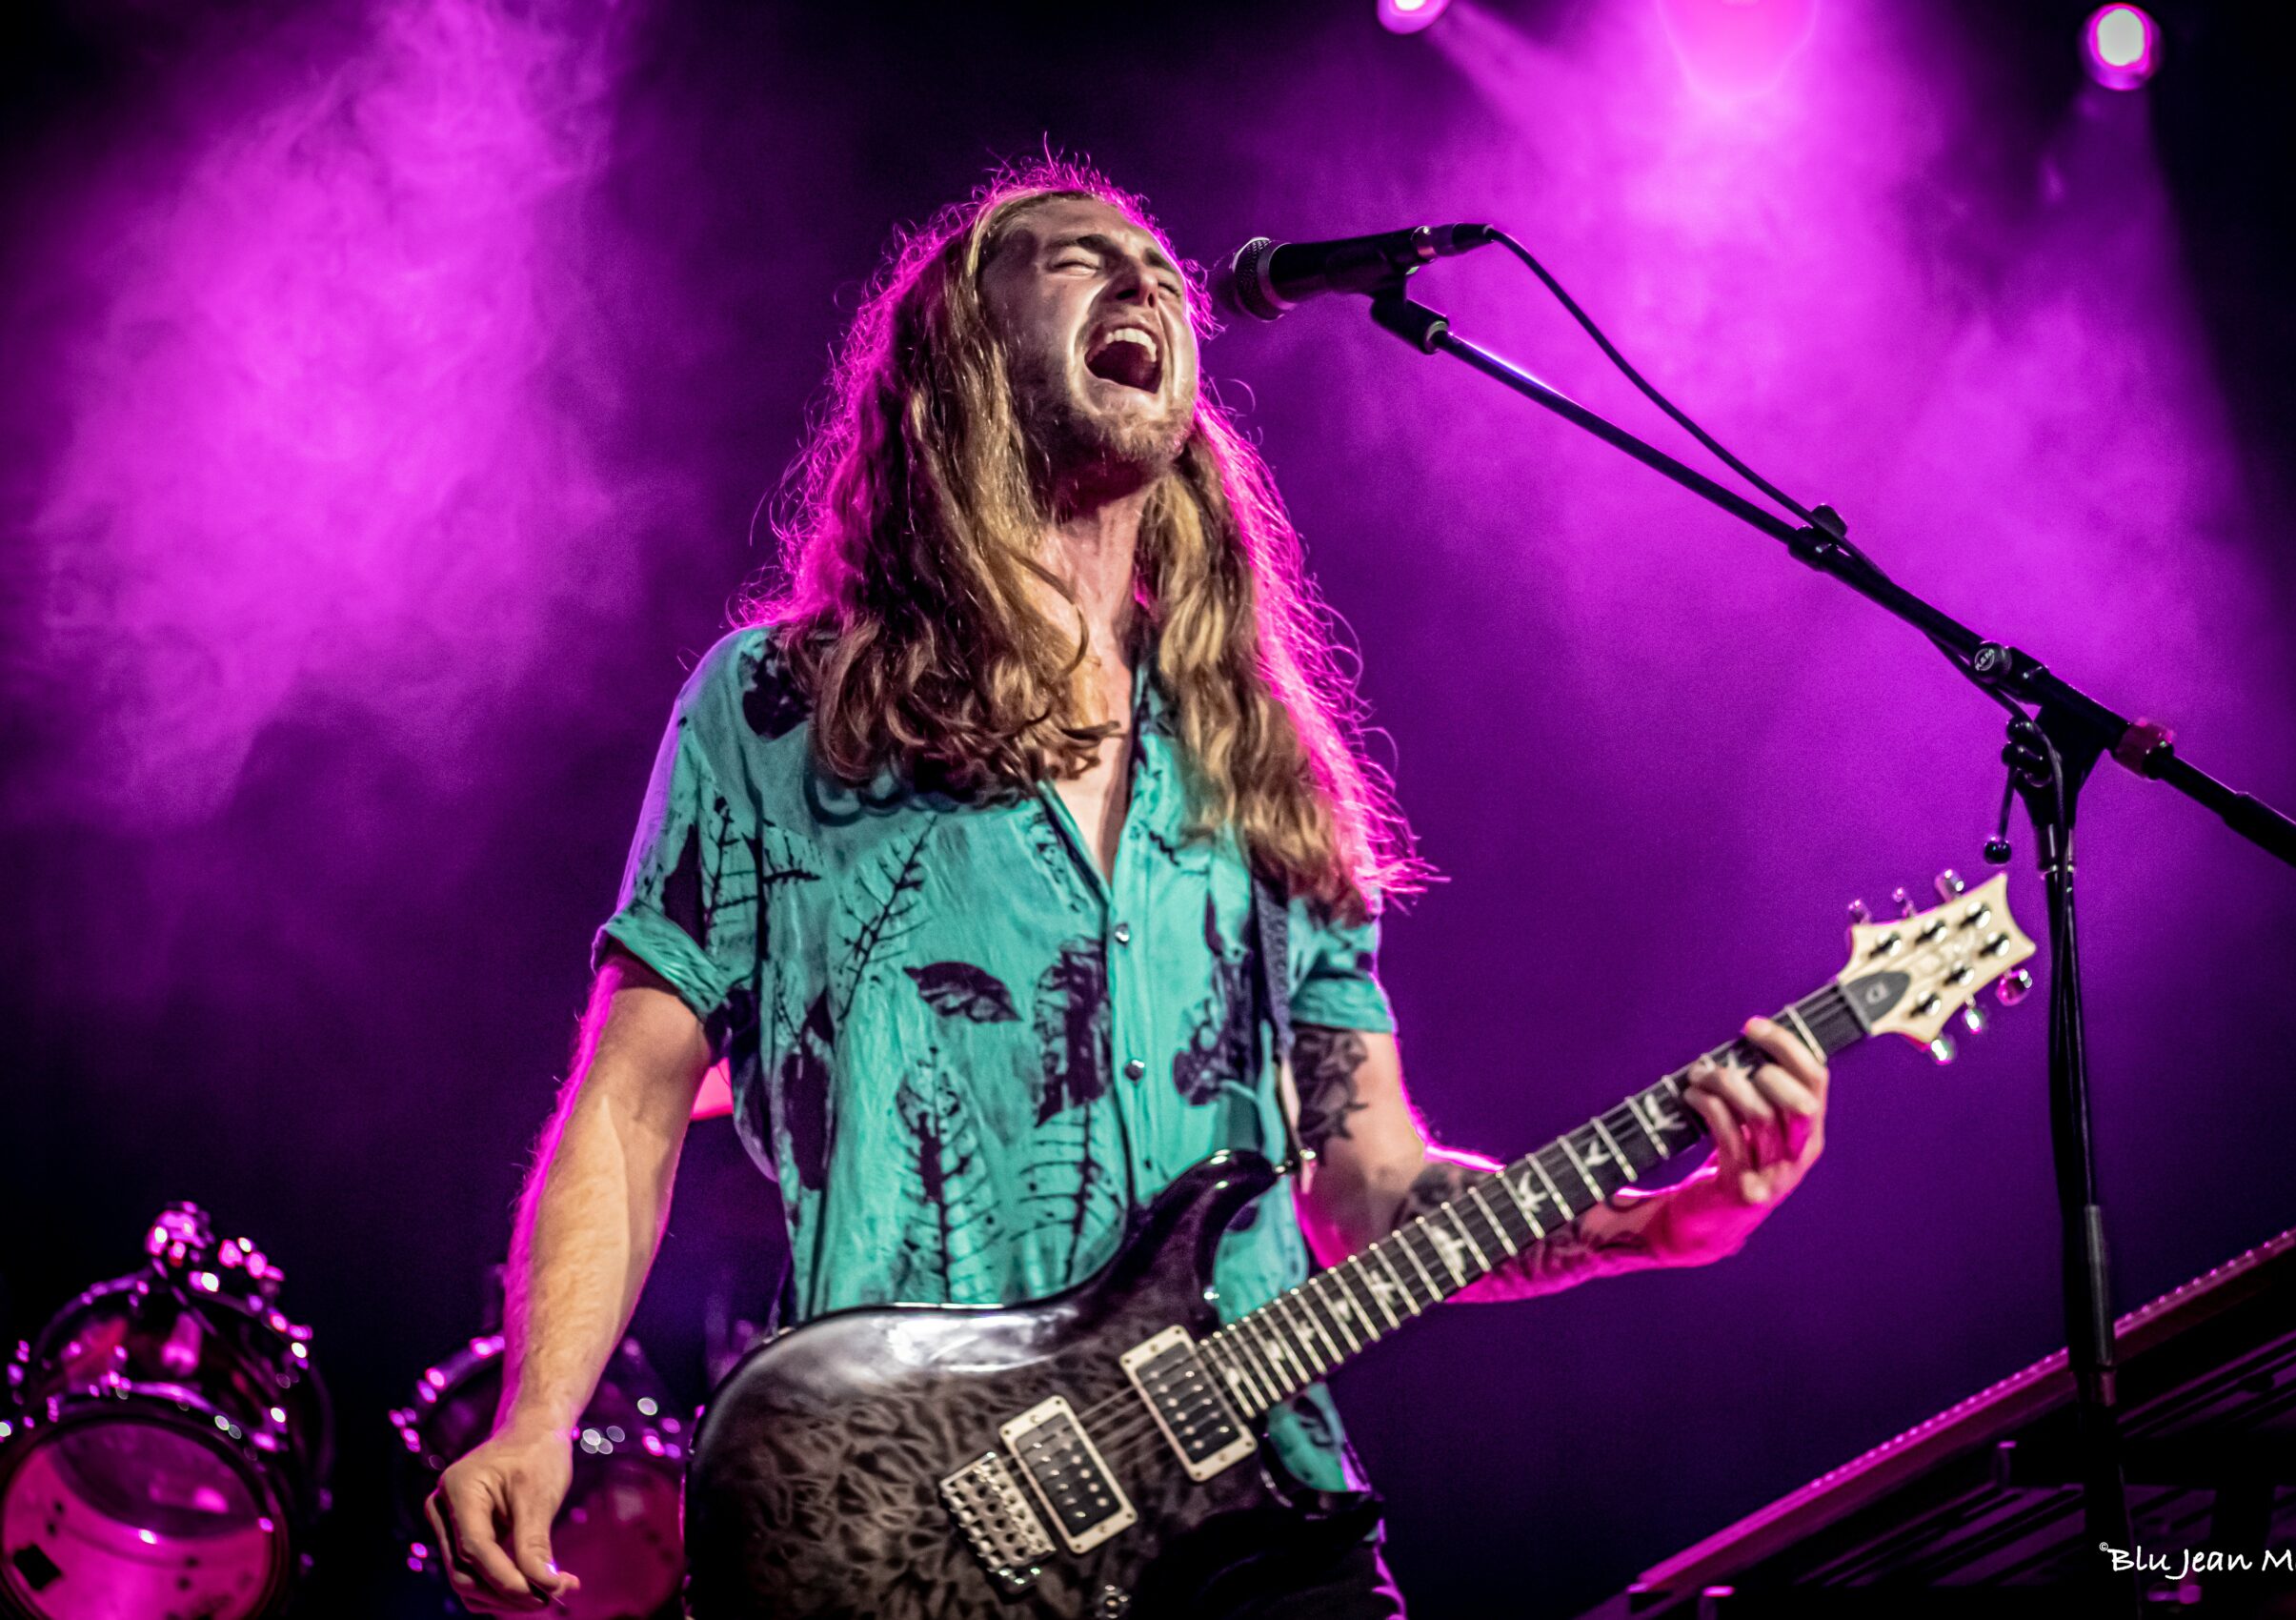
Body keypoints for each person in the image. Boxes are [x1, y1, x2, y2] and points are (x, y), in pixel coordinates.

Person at [424, 163, 1830, 1618]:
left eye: (1156, 267)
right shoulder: (781, 708)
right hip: (910, 1518)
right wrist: (539, 1418)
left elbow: (1368, 1186)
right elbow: (632, 1102)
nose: (1143, 280)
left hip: (1255, 1522)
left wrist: (1654, 1224)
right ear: (962, 359)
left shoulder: (1259, 765)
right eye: (1072, 260)